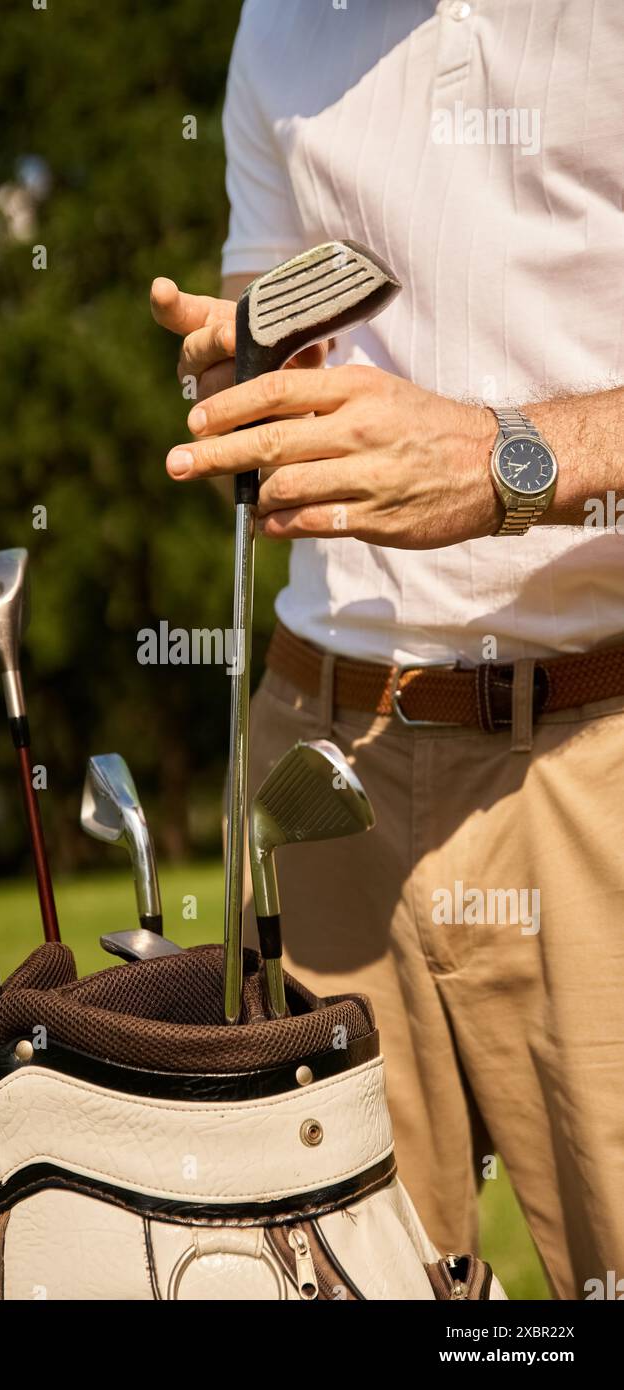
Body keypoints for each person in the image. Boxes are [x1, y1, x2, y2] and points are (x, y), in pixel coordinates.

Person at [151, 0, 624, 1300]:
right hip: (318, 753)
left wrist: (504, 458)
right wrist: (236, 390)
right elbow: (277, 359)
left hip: (596, 755)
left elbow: (484, 446)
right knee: (318, 1273)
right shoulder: (278, 29)